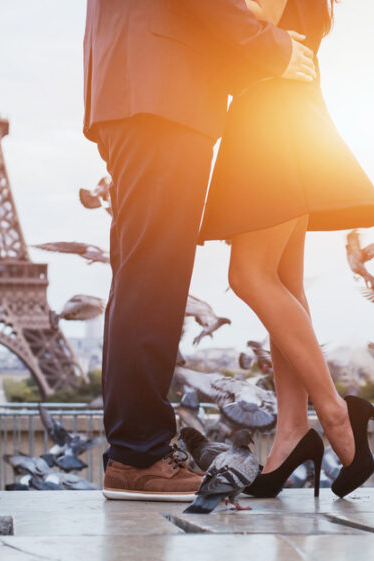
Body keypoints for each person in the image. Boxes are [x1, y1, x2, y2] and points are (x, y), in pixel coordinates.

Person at [83, 0, 318, 501]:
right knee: (154, 279)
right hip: (161, 93)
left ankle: (136, 450)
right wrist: (269, 46)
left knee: (144, 276)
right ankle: (138, 457)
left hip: (144, 85)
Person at [198, 0, 374, 499]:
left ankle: (334, 411)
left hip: (273, 116)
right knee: (283, 284)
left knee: (249, 276)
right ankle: (292, 428)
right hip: (284, 113)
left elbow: (245, 26)